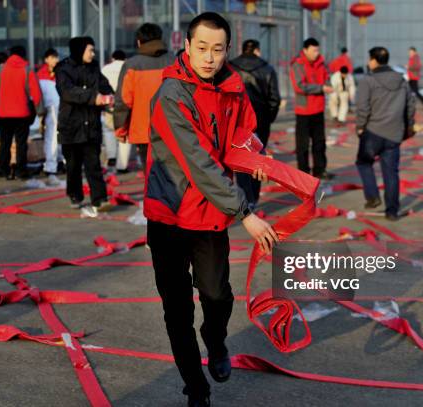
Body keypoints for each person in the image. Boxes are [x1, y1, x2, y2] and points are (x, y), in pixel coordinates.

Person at [146, 12, 278, 407]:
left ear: (227, 51)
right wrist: (246, 213)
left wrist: (260, 160)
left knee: (218, 296)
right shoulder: (171, 94)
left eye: (217, 50)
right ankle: (197, 390)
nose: (208, 58)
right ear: (186, 46)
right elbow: (198, 162)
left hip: (209, 216)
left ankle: (216, 340)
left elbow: (244, 136)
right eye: (201, 48)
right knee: (177, 311)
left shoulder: (234, 89)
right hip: (170, 214)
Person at [55, 36, 114, 217]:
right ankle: (75, 195)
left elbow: (104, 85)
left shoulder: (94, 67)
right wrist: (92, 97)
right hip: (71, 125)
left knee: (93, 164)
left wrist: (109, 96)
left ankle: (100, 199)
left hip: (91, 125)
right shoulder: (64, 69)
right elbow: (67, 92)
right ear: (80, 50)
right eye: (90, 50)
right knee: (73, 166)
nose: (93, 53)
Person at [355, 46, 415, 221]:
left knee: (363, 162)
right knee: (391, 173)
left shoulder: (368, 81)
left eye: (369, 59)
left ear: (373, 60)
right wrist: (408, 128)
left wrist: (360, 126)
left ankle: (373, 195)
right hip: (394, 134)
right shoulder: (402, 81)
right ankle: (392, 211)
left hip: (373, 132)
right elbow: (410, 106)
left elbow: (362, 107)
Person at [113, 23, 175, 172]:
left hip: (144, 131)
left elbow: (123, 101)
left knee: (152, 177)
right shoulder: (174, 61)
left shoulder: (132, 65)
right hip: (174, 130)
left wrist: (120, 129)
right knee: (174, 179)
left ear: (139, 42)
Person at [230, 39, 281, 209]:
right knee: (259, 158)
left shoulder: (230, 67)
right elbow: (274, 99)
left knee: (241, 158)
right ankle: (255, 196)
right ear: (257, 51)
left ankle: (247, 197)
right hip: (261, 119)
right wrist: (269, 118)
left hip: (236, 120)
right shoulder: (267, 68)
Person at [0, 45, 42, 180]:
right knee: (21, 143)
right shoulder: (27, 70)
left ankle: (4, 169)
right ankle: (20, 170)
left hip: (3, 114)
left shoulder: (0, 70)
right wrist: (40, 110)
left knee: (4, 142)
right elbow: (36, 93)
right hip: (22, 114)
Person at [289, 38, 334, 180]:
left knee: (320, 143)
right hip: (303, 111)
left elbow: (327, 78)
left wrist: (327, 84)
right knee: (302, 145)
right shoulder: (298, 64)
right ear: (305, 50)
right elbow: (299, 86)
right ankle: (303, 173)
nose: (317, 53)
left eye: (317, 50)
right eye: (314, 50)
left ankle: (320, 170)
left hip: (318, 109)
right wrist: (320, 88)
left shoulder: (322, 63)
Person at [101, 49, 131, 172]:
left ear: (113, 58)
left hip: (109, 104)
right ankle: (122, 165)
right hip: (125, 104)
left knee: (108, 130)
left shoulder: (105, 69)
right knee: (125, 134)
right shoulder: (129, 67)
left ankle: (112, 156)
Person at [37, 48, 63, 182]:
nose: (55, 60)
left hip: (61, 108)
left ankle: (60, 161)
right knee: (51, 136)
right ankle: (51, 165)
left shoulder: (61, 72)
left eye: (56, 57)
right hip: (50, 110)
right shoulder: (41, 75)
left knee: (59, 136)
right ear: (46, 59)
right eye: (53, 57)